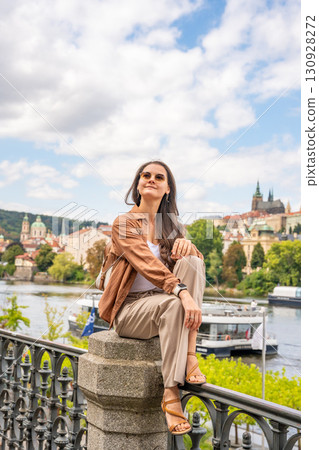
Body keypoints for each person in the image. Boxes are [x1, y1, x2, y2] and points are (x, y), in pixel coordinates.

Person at [99, 160, 207, 436]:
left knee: (192, 261)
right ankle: (170, 392)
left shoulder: (171, 228)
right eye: (145, 175)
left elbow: (196, 271)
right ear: (137, 184)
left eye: (159, 177)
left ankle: (190, 356)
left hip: (162, 302)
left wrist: (190, 247)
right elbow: (146, 262)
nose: (151, 179)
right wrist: (182, 293)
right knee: (173, 302)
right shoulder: (123, 223)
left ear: (167, 189)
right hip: (130, 309)